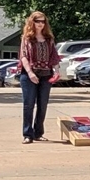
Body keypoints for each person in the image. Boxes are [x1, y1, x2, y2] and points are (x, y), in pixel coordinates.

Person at [19, 11, 60, 144]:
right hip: (29, 75)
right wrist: (30, 73)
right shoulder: (27, 38)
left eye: (43, 21)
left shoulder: (49, 39)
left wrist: (56, 71)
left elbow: (54, 56)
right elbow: (23, 56)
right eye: (38, 21)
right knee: (28, 104)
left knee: (42, 105)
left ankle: (38, 133)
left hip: (46, 75)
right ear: (32, 22)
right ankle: (27, 134)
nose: (41, 24)